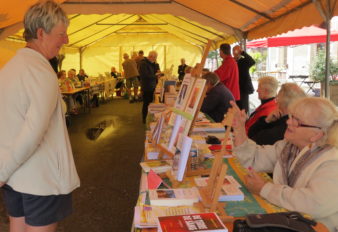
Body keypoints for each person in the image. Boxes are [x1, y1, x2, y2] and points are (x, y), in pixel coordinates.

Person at [0, 1, 80, 231]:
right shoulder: (41, 72)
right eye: (61, 34)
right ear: (41, 33)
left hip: (14, 174)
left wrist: (4, 171)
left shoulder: (10, 68)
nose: (66, 40)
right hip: (39, 178)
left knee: (17, 226)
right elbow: (32, 133)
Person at [230, 97, 338, 232]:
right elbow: (254, 159)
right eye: (291, 116)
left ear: (317, 135)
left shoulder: (332, 162)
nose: (288, 121)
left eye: (297, 121)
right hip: (287, 222)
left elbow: (314, 204)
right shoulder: (289, 147)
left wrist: (265, 188)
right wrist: (239, 128)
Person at [233, 45, 255, 113]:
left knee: (243, 108)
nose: (236, 52)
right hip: (234, 88)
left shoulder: (243, 61)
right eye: (235, 50)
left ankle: (244, 122)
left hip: (243, 89)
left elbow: (252, 61)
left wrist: (242, 52)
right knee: (235, 108)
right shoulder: (232, 61)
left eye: (238, 50)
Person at [139, 51, 158, 123]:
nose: (155, 59)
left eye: (156, 58)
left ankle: (148, 118)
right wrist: (155, 75)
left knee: (150, 102)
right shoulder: (143, 63)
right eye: (154, 57)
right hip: (146, 86)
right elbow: (145, 76)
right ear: (150, 56)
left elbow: (154, 71)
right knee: (146, 103)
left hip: (151, 85)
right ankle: (144, 119)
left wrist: (156, 67)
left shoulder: (151, 63)